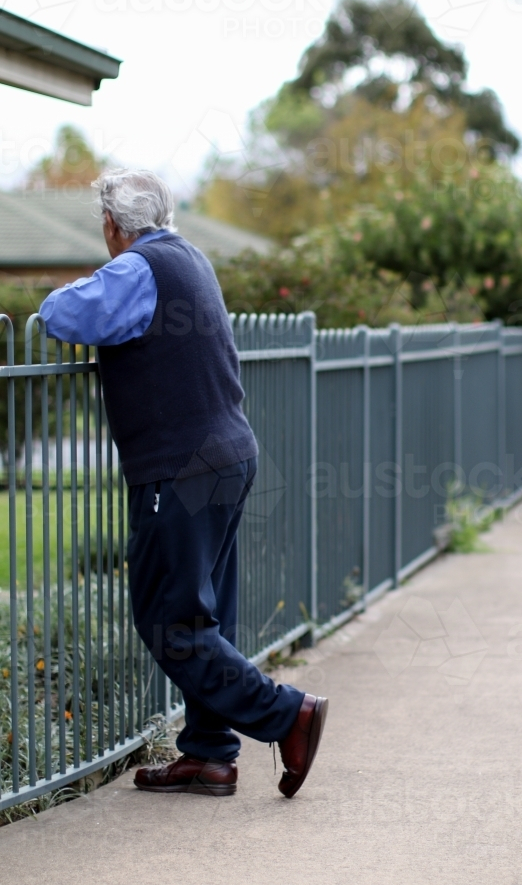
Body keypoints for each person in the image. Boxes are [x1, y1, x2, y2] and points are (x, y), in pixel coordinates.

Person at [40, 168, 328, 799]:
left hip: (180, 466)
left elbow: (62, 315)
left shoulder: (137, 268)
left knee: (169, 622)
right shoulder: (189, 257)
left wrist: (66, 292)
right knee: (205, 618)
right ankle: (210, 755)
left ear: (114, 226)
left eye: (105, 227)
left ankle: (289, 714)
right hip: (228, 456)